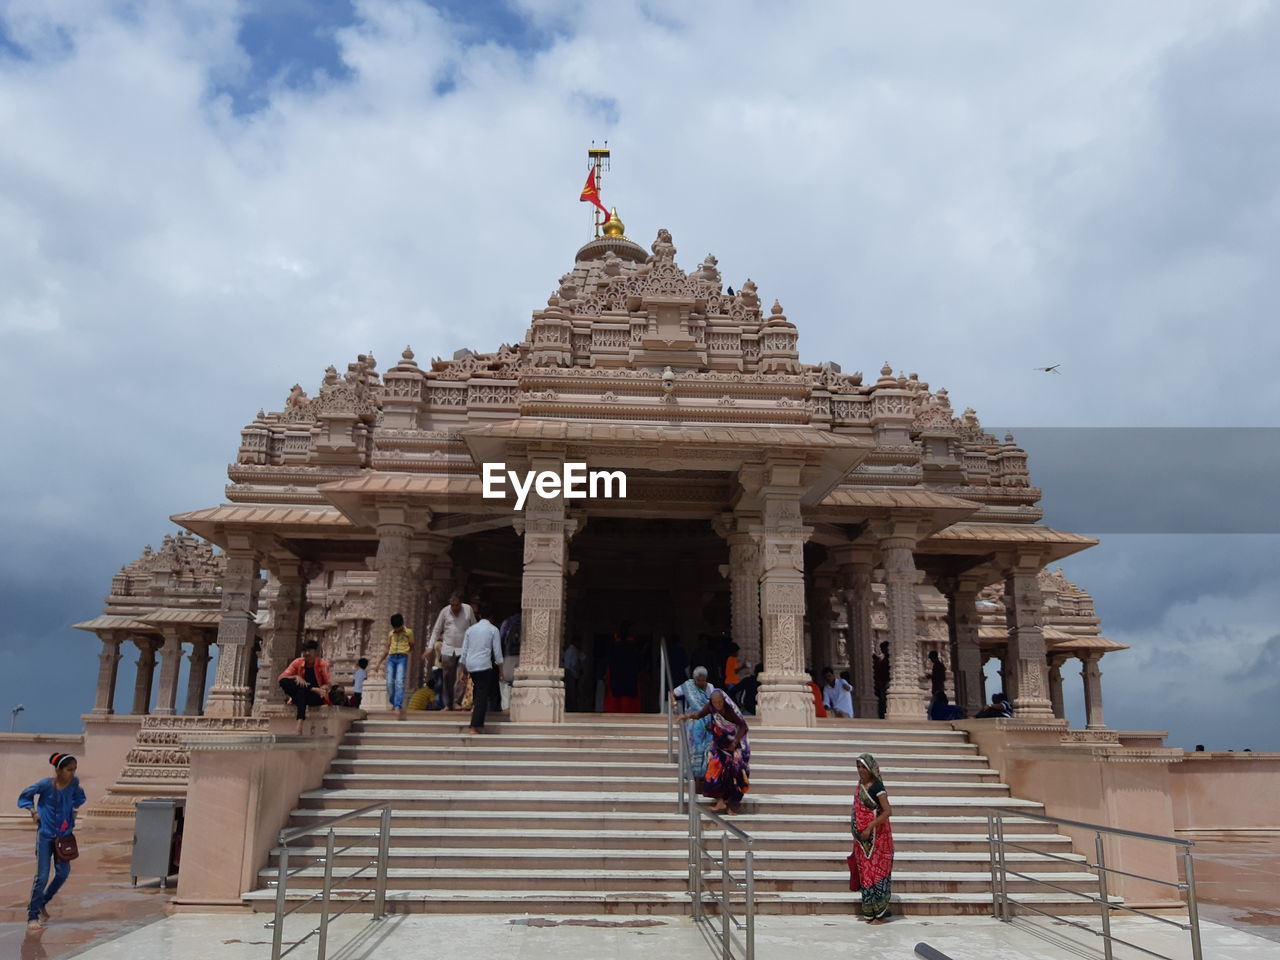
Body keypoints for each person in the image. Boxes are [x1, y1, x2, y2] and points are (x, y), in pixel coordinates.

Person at [18, 753, 86, 931]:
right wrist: (33, 812)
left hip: (63, 836)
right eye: (68, 769)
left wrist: (73, 811)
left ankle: (43, 901)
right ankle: (32, 915)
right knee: (42, 876)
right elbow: (25, 796)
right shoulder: (45, 785)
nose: (72, 773)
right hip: (45, 835)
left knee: (63, 872)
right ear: (58, 770)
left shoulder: (74, 783)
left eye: (74, 769)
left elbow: (79, 798)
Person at [679, 689, 750, 814]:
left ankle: (731, 807)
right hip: (719, 746)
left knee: (733, 776)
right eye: (715, 703)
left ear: (723, 700)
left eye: (720, 702)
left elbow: (743, 726)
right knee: (714, 774)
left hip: (732, 747)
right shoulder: (711, 707)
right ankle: (720, 802)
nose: (718, 705)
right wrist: (687, 716)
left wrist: (734, 743)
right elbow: (699, 715)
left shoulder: (729, 711)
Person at [848, 753, 894, 922]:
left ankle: (879, 915)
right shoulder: (860, 785)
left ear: (871, 768)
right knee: (865, 874)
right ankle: (869, 912)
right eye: (858, 767)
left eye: (863, 767)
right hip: (862, 841)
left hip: (878, 840)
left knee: (876, 875)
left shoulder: (877, 787)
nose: (860, 770)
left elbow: (888, 811)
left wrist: (870, 826)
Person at [459, 605, 503, 734]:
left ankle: (475, 710)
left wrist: (462, 670)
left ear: (479, 616)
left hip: (471, 665)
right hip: (484, 664)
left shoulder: (470, 630)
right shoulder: (493, 630)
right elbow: (497, 652)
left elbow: (464, 651)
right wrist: (501, 670)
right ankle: (475, 725)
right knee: (482, 694)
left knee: (478, 690)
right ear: (492, 617)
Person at [671, 667, 716, 791]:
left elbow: (713, 704)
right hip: (694, 722)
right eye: (698, 680)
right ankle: (695, 782)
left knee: (707, 750)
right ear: (695, 679)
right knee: (695, 750)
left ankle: (705, 781)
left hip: (707, 721)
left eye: (703, 680)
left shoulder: (711, 687)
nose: (701, 683)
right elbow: (673, 693)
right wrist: (674, 704)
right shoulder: (688, 685)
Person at [428, 593, 475, 711]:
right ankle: (448, 704)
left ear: (461, 603)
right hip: (448, 649)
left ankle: (456, 702)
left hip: (464, 649)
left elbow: (474, 627)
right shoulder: (445, 611)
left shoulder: (468, 610)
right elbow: (437, 630)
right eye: (452, 605)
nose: (454, 608)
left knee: (461, 676)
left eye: (456, 605)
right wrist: (430, 647)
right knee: (447, 677)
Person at [278, 641, 331, 735]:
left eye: (309, 651)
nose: (307, 653)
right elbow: (281, 678)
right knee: (286, 682)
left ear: (316, 652)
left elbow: (328, 684)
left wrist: (322, 689)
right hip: (305, 693)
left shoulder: (322, 664)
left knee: (301, 691)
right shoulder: (298, 662)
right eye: (305, 651)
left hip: (316, 697)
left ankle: (299, 726)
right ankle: (311, 688)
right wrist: (296, 677)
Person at [379, 613, 413, 719]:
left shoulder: (409, 632)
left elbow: (412, 645)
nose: (397, 629)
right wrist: (379, 662)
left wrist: (406, 652)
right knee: (389, 682)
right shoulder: (391, 634)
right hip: (391, 658)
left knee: (399, 681)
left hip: (402, 658)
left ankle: (397, 705)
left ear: (402, 624)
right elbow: (388, 648)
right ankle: (393, 703)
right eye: (395, 627)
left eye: (398, 627)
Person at [604, 624, 643, 713]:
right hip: (630, 675)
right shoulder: (634, 646)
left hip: (616, 675)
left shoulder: (614, 646)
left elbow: (609, 661)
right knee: (629, 698)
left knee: (616, 695)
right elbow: (639, 662)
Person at [874, 641, 890, 718]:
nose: (882, 650)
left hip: (886, 682)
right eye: (881, 648)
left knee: (884, 700)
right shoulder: (884, 659)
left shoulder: (889, 659)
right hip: (881, 682)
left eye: (883, 648)